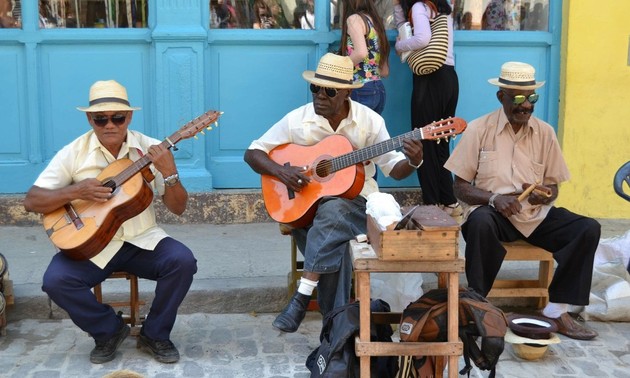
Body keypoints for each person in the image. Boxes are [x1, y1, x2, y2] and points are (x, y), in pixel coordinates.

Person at [244, 53, 424, 333]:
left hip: (357, 207)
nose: (319, 97)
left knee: (335, 210)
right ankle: (336, 331)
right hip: (307, 211)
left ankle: (304, 298)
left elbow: (393, 167)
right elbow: (253, 152)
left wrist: (413, 161)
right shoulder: (297, 120)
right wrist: (283, 173)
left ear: (346, 94)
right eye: (315, 88)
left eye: (328, 91)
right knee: (335, 242)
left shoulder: (370, 122)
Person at [23, 80, 198, 363]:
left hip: (142, 240)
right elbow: (32, 200)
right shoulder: (74, 152)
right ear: (89, 119)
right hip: (93, 246)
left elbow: (179, 208)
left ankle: (155, 333)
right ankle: (108, 330)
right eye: (100, 118)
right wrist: (77, 190)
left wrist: (170, 172)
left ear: (129, 117)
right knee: (55, 281)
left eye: (118, 117)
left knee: (183, 261)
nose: (110, 125)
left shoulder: (151, 149)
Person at [444, 61, 600, 340]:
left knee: (587, 228)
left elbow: (553, 186)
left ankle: (555, 310)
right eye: (517, 98)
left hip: (534, 216)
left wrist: (545, 194)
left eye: (531, 98)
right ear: (500, 96)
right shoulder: (479, 129)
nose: (526, 105)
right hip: (495, 215)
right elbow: (460, 188)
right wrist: (494, 199)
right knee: (479, 222)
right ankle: (478, 305)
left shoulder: (545, 133)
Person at [394, 0, 462, 219]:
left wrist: (400, 46)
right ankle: (449, 201)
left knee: (423, 141)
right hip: (449, 78)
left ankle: (432, 203)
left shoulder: (419, 7)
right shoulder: (442, 8)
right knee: (441, 142)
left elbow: (422, 38)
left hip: (430, 79)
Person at [339, 0, 390, 115]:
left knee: (354, 132)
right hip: (379, 89)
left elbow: (361, 53)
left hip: (360, 88)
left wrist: (337, 67)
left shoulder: (354, 19)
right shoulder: (376, 22)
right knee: (370, 132)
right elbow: (384, 71)